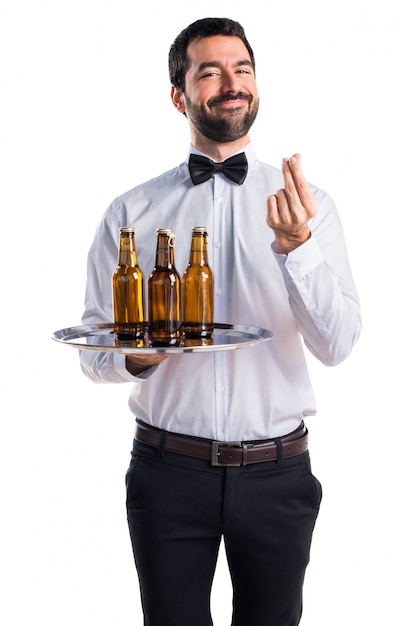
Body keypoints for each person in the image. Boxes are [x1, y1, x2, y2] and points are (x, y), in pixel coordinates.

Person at [80, 17, 362, 626]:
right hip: (166, 475)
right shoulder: (131, 213)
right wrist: (136, 357)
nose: (231, 84)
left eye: (243, 69)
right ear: (180, 95)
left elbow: (338, 345)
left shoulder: (313, 208)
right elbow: (93, 352)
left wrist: (297, 248)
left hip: (278, 475)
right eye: (210, 72)